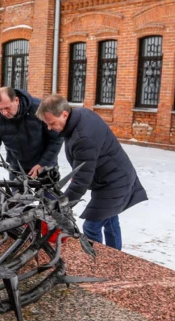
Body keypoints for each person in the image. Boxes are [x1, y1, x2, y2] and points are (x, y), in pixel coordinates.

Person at [35, 94, 148, 250]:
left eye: (52, 123)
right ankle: (115, 258)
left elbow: (81, 180)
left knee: (91, 226)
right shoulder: (80, 115)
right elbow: (83, 167)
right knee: (109, 219)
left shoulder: (83, 137)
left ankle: (98, 262)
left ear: (64, 114)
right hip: (111, 176)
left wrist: (61, 206)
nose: (49, 128)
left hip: (114, 181)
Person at [0, 87, 63, 180]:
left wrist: (42, 164)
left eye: (7, 108)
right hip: (17, 166)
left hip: (45, 164)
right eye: (0, 109)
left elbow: (56, 138)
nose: (4, 113)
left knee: (48, 194)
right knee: (17, 195)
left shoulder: (40, 108)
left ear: (16, 100)